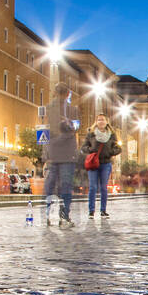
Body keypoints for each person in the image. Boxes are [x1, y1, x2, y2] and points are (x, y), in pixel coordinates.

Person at [42, 83, 79, 227]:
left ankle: (50, 214)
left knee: (52, 185)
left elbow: (42, 131)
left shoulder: (68, 110)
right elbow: (75, 128)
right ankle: (64, 215)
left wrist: (45, 152)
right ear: (68, 94)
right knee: (65, 185)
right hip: (65, 153)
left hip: (58, 152)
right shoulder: (70, 109)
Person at [82, 114, 120, 218]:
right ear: (96, 122)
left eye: (103, 120)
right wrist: (91, 150)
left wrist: (110, 152)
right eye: (99, 120)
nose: (101, 122)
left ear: (107, 122)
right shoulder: (91, 134)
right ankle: (91, 211)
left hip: (106, 163)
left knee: (104, 188)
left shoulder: (112, 134)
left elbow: (118, 148)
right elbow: (84, 147)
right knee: (93, 187)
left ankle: (103, 211)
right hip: (93, 164)